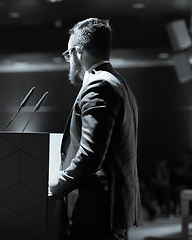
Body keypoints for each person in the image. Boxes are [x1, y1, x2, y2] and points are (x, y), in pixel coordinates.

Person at [48, 18, 143, 240]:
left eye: (68, 54)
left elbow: (91, 154)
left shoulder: (98, 87)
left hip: (96, 208)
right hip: (112, 206)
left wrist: (58, 184)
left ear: (78, 52)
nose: (69, 61)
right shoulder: (120, 83)